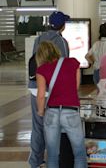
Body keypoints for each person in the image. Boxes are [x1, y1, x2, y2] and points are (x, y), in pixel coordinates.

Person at [28, 11, 70, 168]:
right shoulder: (61, 41)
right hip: (52, 91)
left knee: (37, 126)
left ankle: (35, 161)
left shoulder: (39, 39)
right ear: (62, 26)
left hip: (35, 88)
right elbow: (64, 67)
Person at [35, 41, 87, 168]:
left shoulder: (41, 70)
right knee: (79, 153)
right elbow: (75, 87)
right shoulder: (72, 63)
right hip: (70, 111)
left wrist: (41, 112)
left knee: (52, 155)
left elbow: (41, 95)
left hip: (51, 112)